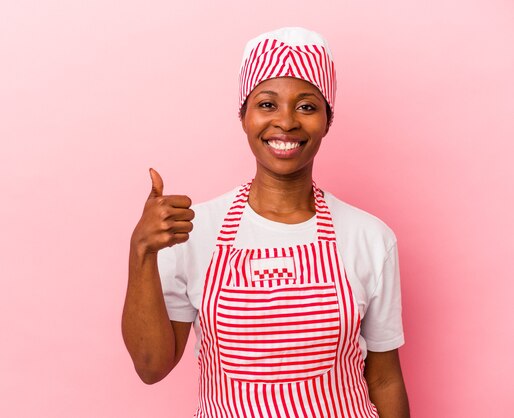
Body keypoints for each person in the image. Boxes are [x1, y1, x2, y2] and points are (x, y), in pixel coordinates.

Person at [122, 27, 410, 417]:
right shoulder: (192, 231)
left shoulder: (370, 237)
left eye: (307, 106)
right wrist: (142, 251)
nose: (287, 122)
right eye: (267, 104)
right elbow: (151, 367)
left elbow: (384, 379)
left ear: (327, 120)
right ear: (243, 116)